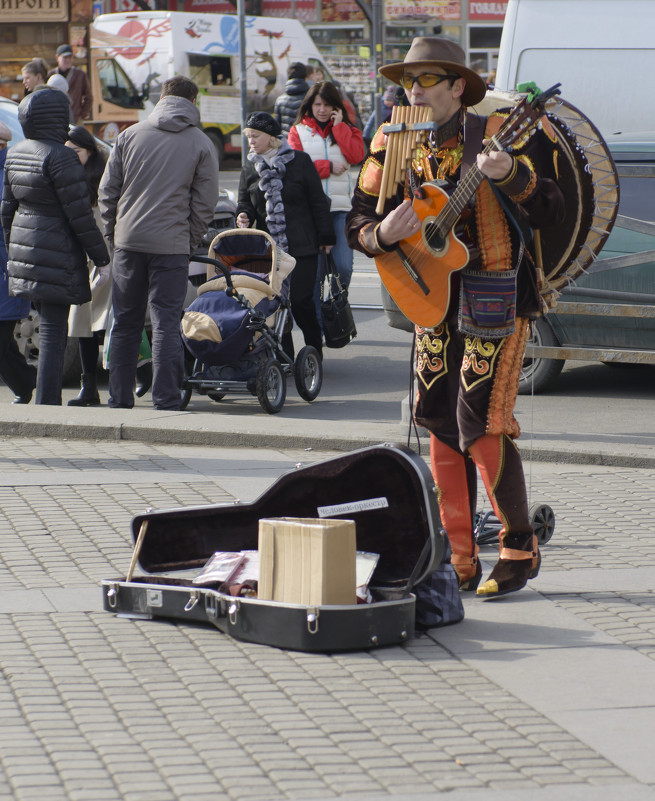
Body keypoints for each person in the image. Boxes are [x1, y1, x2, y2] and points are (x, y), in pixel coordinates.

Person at [346, 37, 565, 598]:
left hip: (493, 292)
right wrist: (381, 235)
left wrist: (509, 175)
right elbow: (358, 220)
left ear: (456, 88)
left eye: (424, 81)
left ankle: (518, 545)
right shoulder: (392, 141)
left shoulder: (498, 134)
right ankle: (458, 555)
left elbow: (550, 208)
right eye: (407, 82)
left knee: (480, 419)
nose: (412, 91)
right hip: (428, 295)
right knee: (437, 416)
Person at [98, 75, 218, 411]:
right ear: (193, 102)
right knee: (166, 321)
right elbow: (205, 203)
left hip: (129, 242)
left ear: (161, 98)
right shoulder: (201, 143)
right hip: (172, 246)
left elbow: (107, 193)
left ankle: (119, 399)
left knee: (125, 320)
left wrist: (114, 234)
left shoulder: (130, 135)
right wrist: (188, 238)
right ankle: (165, 398)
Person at [1, 88, 109, 406]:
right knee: (52, 330)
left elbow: (6, 211)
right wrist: (101, 258)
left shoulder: (17, 151)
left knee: (45, 324)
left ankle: (43, 399)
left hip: (24, 251)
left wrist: (11, 252)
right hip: (58, 252)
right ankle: (47, 403)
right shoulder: (61, 156)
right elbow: (79, 216)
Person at [236, 111, 335, 358]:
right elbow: (244, 202)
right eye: (248, 137)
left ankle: (313, 351)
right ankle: (285, 355)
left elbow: (318, 202)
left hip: (303, 245)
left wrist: (326, 237)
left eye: (255, 136)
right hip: (268, 249)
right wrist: (242, 215)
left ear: (271, 138)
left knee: (301, 302)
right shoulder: (249, 166)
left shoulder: (299, 161)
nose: (251, 142)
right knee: (276, 305)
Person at [288, 81, 364, 309]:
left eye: (327, 104)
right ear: (309, 105)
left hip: (341, 209)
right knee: (316, 273)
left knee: (343, 267)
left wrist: (340, 127)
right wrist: (326, 167)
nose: (322, 109)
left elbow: (356, 156)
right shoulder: (297, 131)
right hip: (310, 212)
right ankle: (318, 327)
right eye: (317, 104)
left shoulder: (349, 130)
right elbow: (294, 167)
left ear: (336, 107)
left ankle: (335, 306)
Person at [64, 126, 111, 407]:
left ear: (90, 152)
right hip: (82, 260)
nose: (71, 157)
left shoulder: (103, 177)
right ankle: (89, 386)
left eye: (76, 152)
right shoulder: (67, 176)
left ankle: (135, 376)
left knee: (110, 322)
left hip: (107, 259)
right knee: (82, 322)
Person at [0, 121, 36, 404]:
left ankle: (27, 384)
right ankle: (26, 385)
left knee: (1, 342)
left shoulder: (10, 171)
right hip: (9, 267)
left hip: (7, 269)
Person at [47, 44, 92, 124]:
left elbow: (89, 97)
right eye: (65, 57)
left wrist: (82, 114)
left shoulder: (80, 75)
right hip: (56, 119)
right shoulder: (51, 74)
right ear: (57, 57)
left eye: (70, 57)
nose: (68, 60)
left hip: (75, 118)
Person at [273, 62, 310, 137]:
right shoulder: (312, 98)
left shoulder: (280, 100)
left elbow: (276, 129)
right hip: (307, 144)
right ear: (306, 77)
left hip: (287, 145)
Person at [363, 85, 397, 149]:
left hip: (392, 133)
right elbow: (371, 122)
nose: (388, 102)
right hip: (381, 133)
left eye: (390, 100)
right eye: (386, 100)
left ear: (393, 101)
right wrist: (366, 135)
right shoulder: (379, 109)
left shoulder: (396, 109)